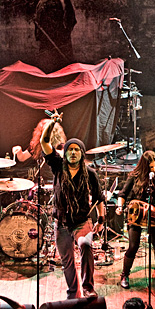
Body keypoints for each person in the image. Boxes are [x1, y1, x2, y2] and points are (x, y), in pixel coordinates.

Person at [41, 113, 105, 299]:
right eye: (70, 150)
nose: (73, 153)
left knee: (85, 244)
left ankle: (88, 288)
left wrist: (100, 219)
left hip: (81, 221)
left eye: (77, 150)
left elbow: (99, 198)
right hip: (61, 223)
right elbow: (44, 142)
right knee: (67, 261)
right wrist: (52, 123)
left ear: (82, 153)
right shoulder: (58, 166)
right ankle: (73, 293)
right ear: (65, 152)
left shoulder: (90, 174)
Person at [116, 150, 155, 288]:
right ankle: (125, 274)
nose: (154, 169)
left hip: (153, 214)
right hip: (136, 214)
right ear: (145, 167)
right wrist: (120, 206)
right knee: (133, 246)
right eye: (151, 167)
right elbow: (123, 193)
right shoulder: (134, 176)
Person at [34, 0, 77, 72]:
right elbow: (39, 11)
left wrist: (66, 27)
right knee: (48, 51)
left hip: (59, 29)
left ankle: (63, 71)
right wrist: (38, 19)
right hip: (48, 29)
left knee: (60, 51)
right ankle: (47, 71)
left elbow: (69, 13)